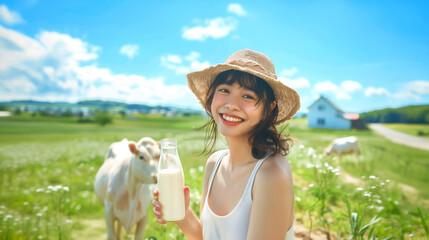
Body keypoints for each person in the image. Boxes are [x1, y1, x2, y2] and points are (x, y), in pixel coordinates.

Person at [152, 49, 300, 240]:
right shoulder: (215, 163)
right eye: (224, 90)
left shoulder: (271, 172)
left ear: (269, 108)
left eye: (248, 96)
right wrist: (183, 215)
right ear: (212, 96)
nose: (231, 104)